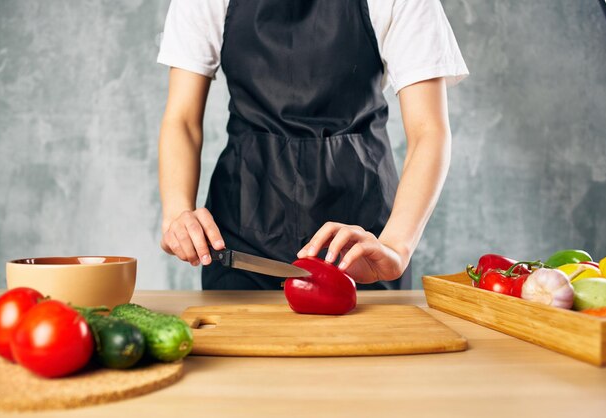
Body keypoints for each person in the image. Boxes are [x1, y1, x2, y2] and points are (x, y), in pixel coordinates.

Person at [156, 0, 468, 290]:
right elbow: (182, 120)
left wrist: (396, 247)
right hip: (240, 241)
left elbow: (428, 131)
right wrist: (176, 212)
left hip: (360, 246)